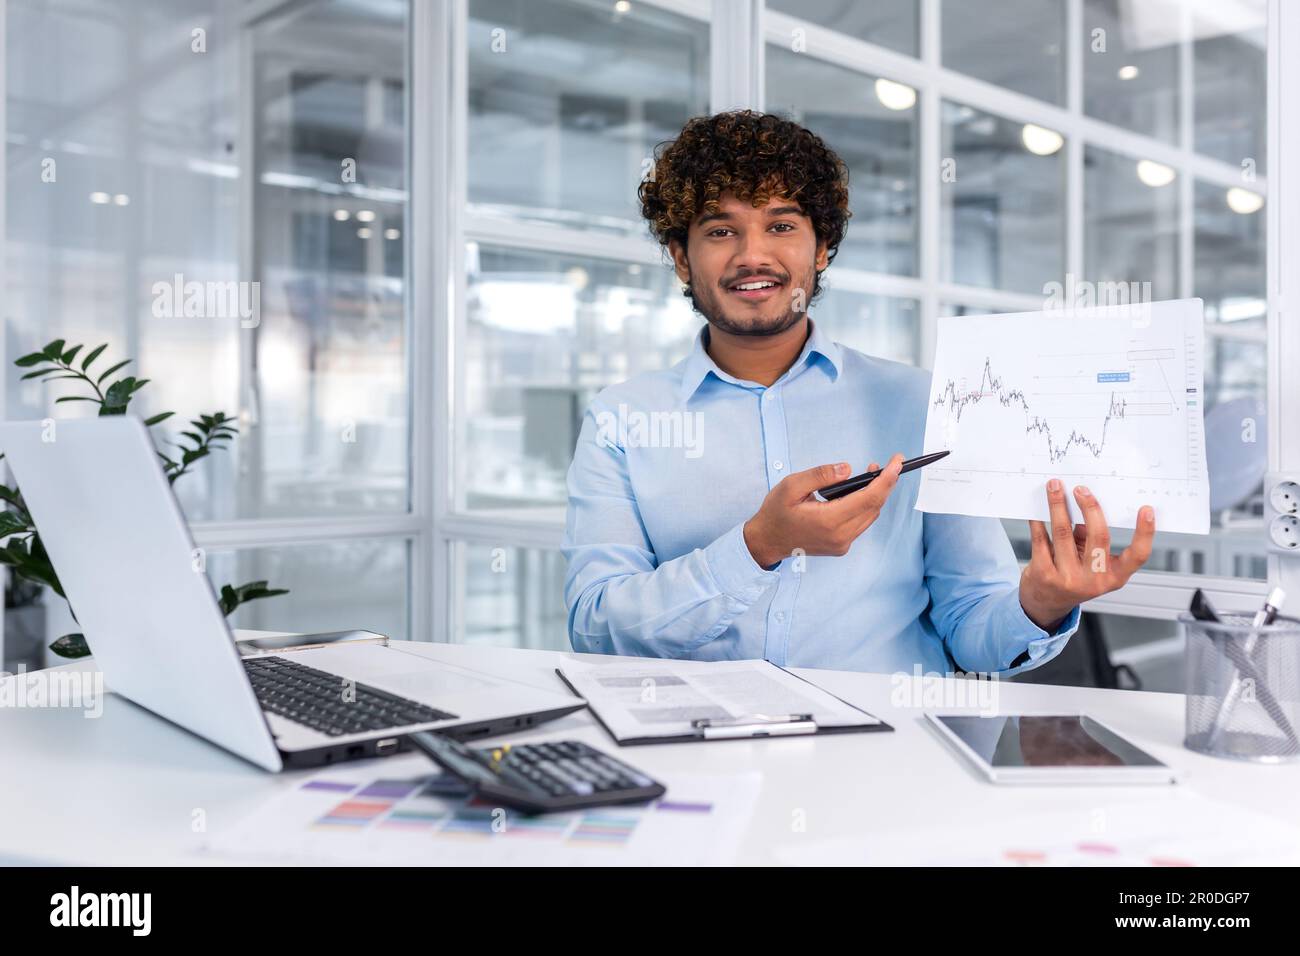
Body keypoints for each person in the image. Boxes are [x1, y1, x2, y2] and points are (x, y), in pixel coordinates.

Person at [562, 110, 1155, 674]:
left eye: (782, 225)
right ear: (681, 259)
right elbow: (596, 626)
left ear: (821, 248)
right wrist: (757, 546)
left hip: (890, 755)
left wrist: (1041, 604)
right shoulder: (623, 420)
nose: (752, 255)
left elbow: (972, 628)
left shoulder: (922, 403)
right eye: (720, 230)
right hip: (699, 754)